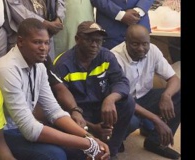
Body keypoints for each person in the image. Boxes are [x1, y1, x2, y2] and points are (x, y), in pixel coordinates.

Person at [0, 18, 110, 160]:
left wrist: (89, 137)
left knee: (89, 151)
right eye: (37, 42)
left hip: (25, 128)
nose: (44, 48)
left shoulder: (39, 66)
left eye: (46, 43)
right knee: (55, 156)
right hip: (3, 133)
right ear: (20, 42)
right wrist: (86, 143)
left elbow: (53, 110)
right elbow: (29, 129)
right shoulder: (6, 69)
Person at [52, 21, 135, 158]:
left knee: (128, 102)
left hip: (102, 110)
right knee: (74, 152)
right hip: (77, 114)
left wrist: (110, 99)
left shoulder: (106, 56)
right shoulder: (63, 64)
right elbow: (57, 106)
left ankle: (111, 152)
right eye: (89, 40)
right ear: (77, 39)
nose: (94, 45)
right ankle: (93, 148)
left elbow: (121, 81)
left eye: (99, 41)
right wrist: (91, 127)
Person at [112, 24, 181, 159]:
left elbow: (174, 78)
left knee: (177, 94)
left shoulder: (153, 50)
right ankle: (115, 140)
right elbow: (123, 98)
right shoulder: (114, 58)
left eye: (145, 44)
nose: (141, 48)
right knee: (132, 121)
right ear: (125, 42)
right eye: (135, 44)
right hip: (122, 102)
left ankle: (155, 142)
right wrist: (156, 119)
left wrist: (166, 96)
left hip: (145, 96)